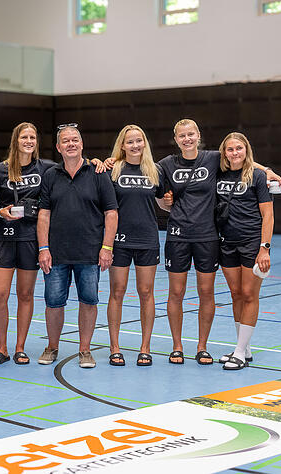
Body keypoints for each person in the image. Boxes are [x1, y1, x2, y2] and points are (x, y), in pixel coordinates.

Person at [156, 119, 281, 365]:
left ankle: (206, 347)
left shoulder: (213, 159)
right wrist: (164, 203)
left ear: (198, 135)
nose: (187, 139)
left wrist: (267, 170)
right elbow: (156, 190)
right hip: (185, 237)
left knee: (219, 293)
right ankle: (179, 346)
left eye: (191, 134)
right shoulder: (166, 164)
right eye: (182, 135)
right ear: (176, 139)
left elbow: (242, 159)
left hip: (212, 237)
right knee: (186, 292)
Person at [37, 124, 118, 368]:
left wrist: (107, 247)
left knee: (89, 301)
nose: (71, 144)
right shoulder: (51, 175)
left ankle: (85, 350)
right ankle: (52, 346)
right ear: (59, 147)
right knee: (53, 303)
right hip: (57, 253)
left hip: (89, 252)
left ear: (82, 144)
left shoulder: (98, 173)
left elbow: (111, 213)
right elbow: (43, 215)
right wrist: (43, 248)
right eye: (66, 141)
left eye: (75, 140)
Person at [0, 122, 52, 365]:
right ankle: (2, 348)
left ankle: (20, 348)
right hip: (4, 239)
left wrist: (99, 162)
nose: (28, 141)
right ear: (16, 140)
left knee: (25, 294)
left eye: (32, 137)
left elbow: (75, 163)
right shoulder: (0, 170)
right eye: (24, 136)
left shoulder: (46, 168)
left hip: (30, 241)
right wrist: (1, 212)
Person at [105, 125, 165, 366]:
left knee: (146, 292)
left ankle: (145, 347)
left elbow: (164, 203)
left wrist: (171, 203)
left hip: (147, 239)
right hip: (119, 241)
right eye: (130, 142)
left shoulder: (155, 170)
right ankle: (114, 347)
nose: (135, 145)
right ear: (122, 145)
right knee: (117, 292)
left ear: (144, 143)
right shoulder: (112, 169)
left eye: (139, 141)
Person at [215, 133, 273, 370]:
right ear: (224, 152)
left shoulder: (257, 176)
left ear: (246, 150)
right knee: (236, 294)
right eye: (230, 149)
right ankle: (244, 348)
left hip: (252, 244)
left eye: (239, 148)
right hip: (226, 242)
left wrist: (265, 248)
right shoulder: (218, 173)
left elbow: (267, 215)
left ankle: (239, 351)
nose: (234, 153)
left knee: (249, 294)